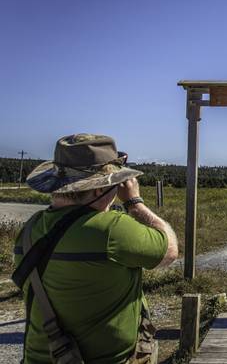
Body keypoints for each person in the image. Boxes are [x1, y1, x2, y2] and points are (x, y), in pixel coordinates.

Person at [13, 134, 178, 364]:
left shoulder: (29, 231)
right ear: (100, 189)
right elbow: (169, 249)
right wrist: (134, 202)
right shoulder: (112, 230)